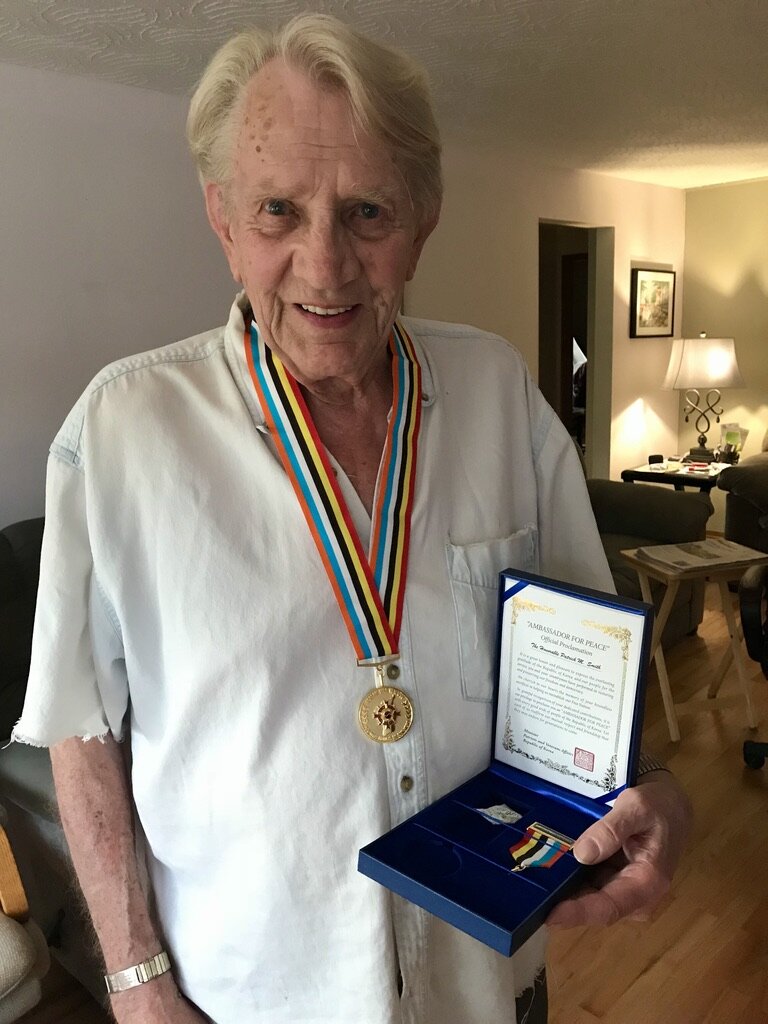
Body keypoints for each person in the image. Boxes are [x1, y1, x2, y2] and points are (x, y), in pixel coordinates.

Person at [14, 14, 691, 1024]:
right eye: (279, 210)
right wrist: (136, 979)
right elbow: (78, 729)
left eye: (367, 211)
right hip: (251, 997)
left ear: (424, 213)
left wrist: (651, 791)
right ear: (222, 217)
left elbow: (586, 656)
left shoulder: (500, 392)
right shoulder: (119, 433)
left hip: (489, 983)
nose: (324, 266)